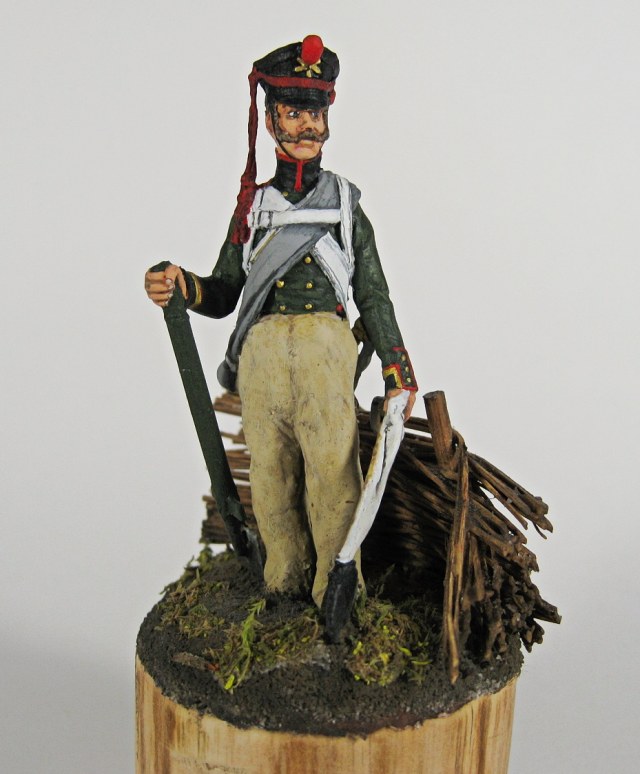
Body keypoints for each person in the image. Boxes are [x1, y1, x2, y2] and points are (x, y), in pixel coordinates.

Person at [145, 35, 417, 607]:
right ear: (271, 121)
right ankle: (282, 582)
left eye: (315, 114)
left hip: (324, 353)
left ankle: (335, 587)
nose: (307, 126)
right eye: (294, 113)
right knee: (270, 475)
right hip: (263, 356)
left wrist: (397, 368)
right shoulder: (253, 207)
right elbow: (224, 292)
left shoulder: (346, 206)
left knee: (333, 471)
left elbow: (373, 294)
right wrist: (182, 285)